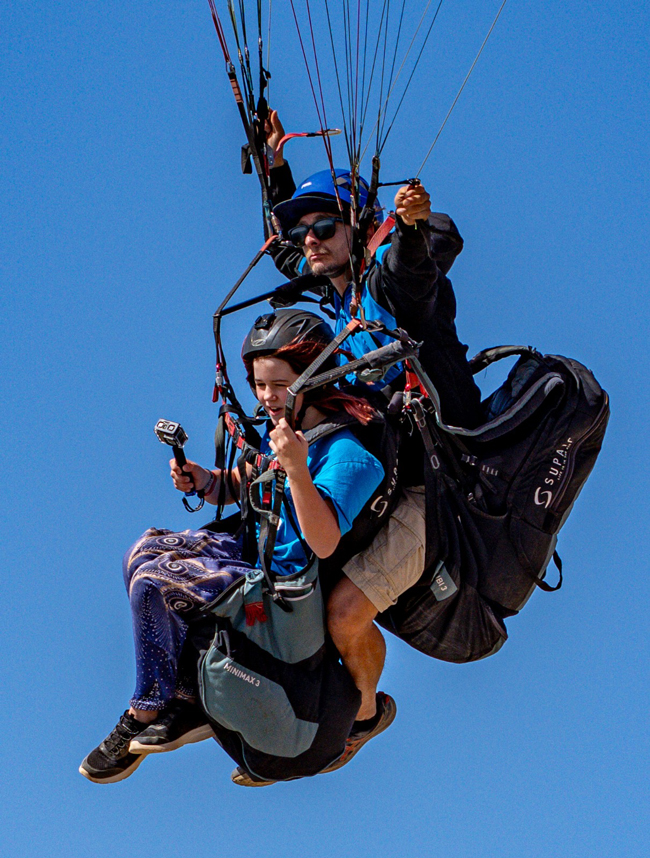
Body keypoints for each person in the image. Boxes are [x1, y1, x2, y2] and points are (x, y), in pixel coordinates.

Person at [79, 309, 392, 786]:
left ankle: (145, 712)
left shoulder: (350, 454)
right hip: (248, 552)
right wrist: (205, 480)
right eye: (258, 385)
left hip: (280, 590)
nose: (266, 397)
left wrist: (299, 469)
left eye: (278, 385)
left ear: (313, 377)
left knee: (153, 583)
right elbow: (251, 483)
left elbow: (324, 541)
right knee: (143, 551)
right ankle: (184, 692)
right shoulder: (289, 433)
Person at [256, 112, 485, 743]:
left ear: (361, 229)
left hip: (433, 484)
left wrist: (409, 229)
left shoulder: (388, 278)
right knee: (283, 586)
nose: (310, 241)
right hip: (373, 479)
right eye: (305, 232)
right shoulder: (334, 291)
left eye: (325, 227)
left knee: (344, 612)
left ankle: (359, 717)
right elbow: (284, 245)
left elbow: (417, 270)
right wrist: (275, 166)